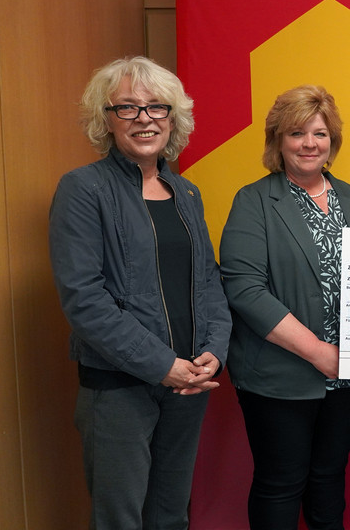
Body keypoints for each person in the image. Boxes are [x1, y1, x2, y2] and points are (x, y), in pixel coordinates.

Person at [49, 56, 231, 529]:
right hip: (119, 388)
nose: (145, 118)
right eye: (127, 108)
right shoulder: (82, 189)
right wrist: (162, 366)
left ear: (174, 118)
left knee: (171, 516)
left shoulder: (186, 193)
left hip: (190, 383)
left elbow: (209, 282)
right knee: (120, 520)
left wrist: (212, 351)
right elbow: (84, 300)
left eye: (157, 107)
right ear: (105, 120)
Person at [220, 85, 350, 529]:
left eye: (320, 133)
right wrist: (320, 354)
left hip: (347, 375)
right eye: (296, 133)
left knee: (329, 480)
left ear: (333, 141)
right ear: (277, 141)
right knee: (280, 483)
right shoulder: (253, 202)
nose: (309, 143)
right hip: (278, 375)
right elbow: (246, 291)